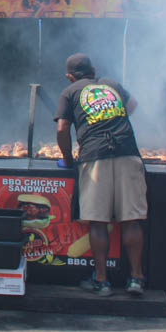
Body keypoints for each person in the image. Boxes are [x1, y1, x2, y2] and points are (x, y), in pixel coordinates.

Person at [54, 53, 147, 297]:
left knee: (98, 222)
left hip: (94, 157)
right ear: (93, 70)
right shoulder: (111, 84)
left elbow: (62, 128)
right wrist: (113, 118)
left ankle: (102, 281)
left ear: (69, 76)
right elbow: (133, 106)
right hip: (128, 152)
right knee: (131, 219)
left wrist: (66, 158)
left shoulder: (70, 91)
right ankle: (136, 279)